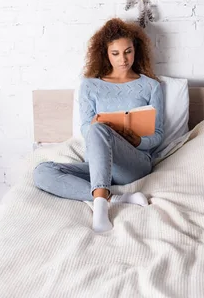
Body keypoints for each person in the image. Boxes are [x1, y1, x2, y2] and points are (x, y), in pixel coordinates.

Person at [33, 18, 164, 233]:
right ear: (105, 54)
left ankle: (101, 210)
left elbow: (158, 135)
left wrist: (137, 140)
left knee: (99, 128)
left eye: (128, 51)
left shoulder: (151, 86)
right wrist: (97, 125)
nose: (123, 59)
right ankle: (116, 198)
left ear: (135, 50)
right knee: (42, 172)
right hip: (99, 165)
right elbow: (86, 130)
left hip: (134, 163)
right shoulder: (89, 86)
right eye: (116, 53)